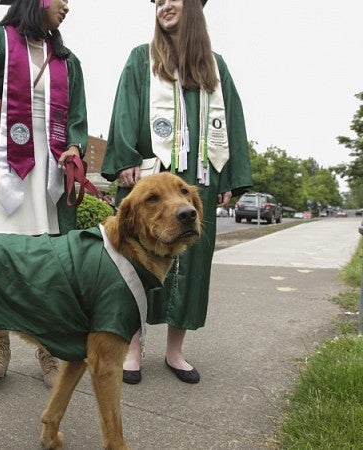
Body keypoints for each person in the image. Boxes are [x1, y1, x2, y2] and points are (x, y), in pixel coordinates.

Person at [101, 0, 252, 384]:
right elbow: (124, 111)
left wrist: (231, 178)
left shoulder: (217, 67)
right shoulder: (142, 58)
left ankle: (174, 351)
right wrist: (124, 160)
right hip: (149, 181)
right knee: (135, 261)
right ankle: (132, 349)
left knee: (194, 266)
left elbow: (232, 120)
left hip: (198, 182)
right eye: (159, 0)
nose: (165, 4)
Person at [0, 0, 88, 388]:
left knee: (46, 261)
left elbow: (78, 114)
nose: (68, 5)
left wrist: (76, 145)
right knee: (0, 257)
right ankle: (0, 345)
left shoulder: (66, 60)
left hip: (49, 166)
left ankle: (45, 347)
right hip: (5, 161)